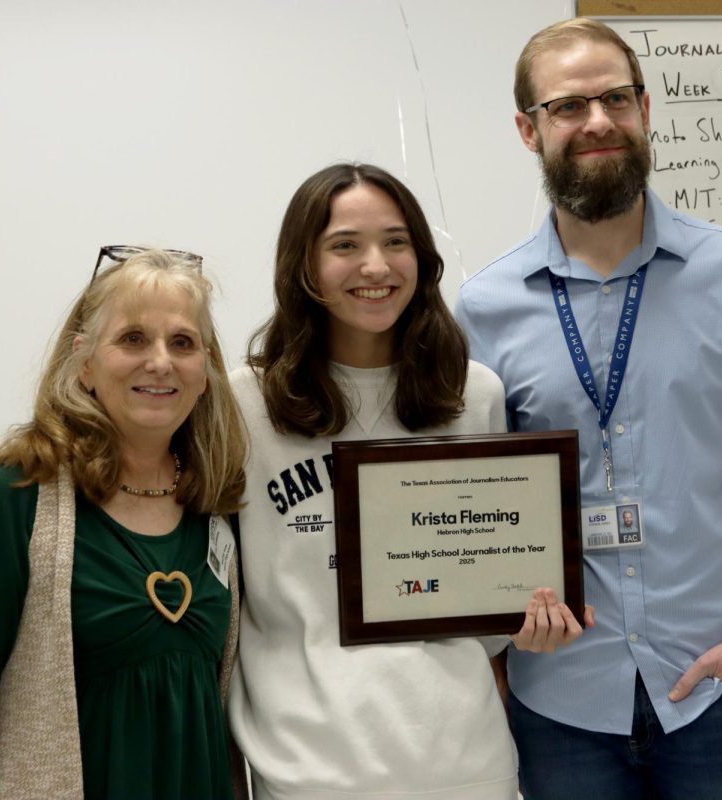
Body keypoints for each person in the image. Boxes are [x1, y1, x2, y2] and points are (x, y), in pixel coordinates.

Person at [455, 18, 722, 800]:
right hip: (560, 703)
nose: (597, 121)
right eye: (568, 107)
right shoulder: (480, 311)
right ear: (528, 129)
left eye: (615, 99)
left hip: (716, 694)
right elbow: (473, 499)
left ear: (645, 110)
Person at [227, 162, 592, 800]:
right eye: (346, 245)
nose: (377, 266)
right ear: (304, 265)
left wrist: (529, 620)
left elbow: (486, 602)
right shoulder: (243, 406)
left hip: (465, 763)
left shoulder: (473, 394)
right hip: (307, 772)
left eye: (396, 242)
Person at [0, 248, 249, 799]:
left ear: (207, 373)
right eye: (133, 338)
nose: (161, 361)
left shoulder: (215, 500)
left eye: (183, 343)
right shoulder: (19, 493)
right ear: (85, 362)